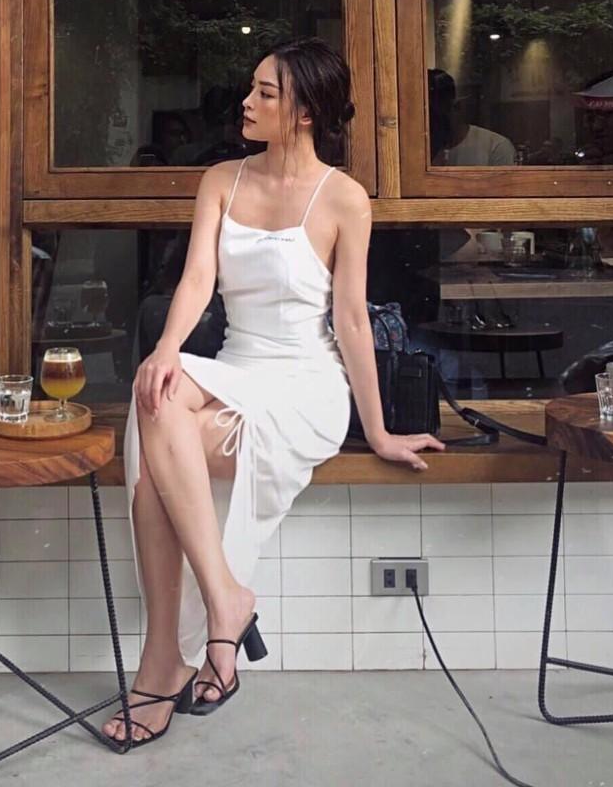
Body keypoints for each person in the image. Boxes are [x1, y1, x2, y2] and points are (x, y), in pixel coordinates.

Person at [102, 38, 445, 746]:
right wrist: (166, 348)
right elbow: (197, 280)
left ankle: (162, 662)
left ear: (306, 112)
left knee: (155, 444)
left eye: (266, 93)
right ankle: (224, 602)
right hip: (235, 367)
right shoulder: (221, 180)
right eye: (251, 88)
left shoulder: (343, 198)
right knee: (158, 394)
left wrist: (378, 430)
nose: (247, 102)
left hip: (304, 384)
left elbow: (351, 321)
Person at [428, 68, 516, 166]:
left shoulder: (496, 147)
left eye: (434, 113)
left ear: (456, 107)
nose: (431, 121)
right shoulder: (420, 150)